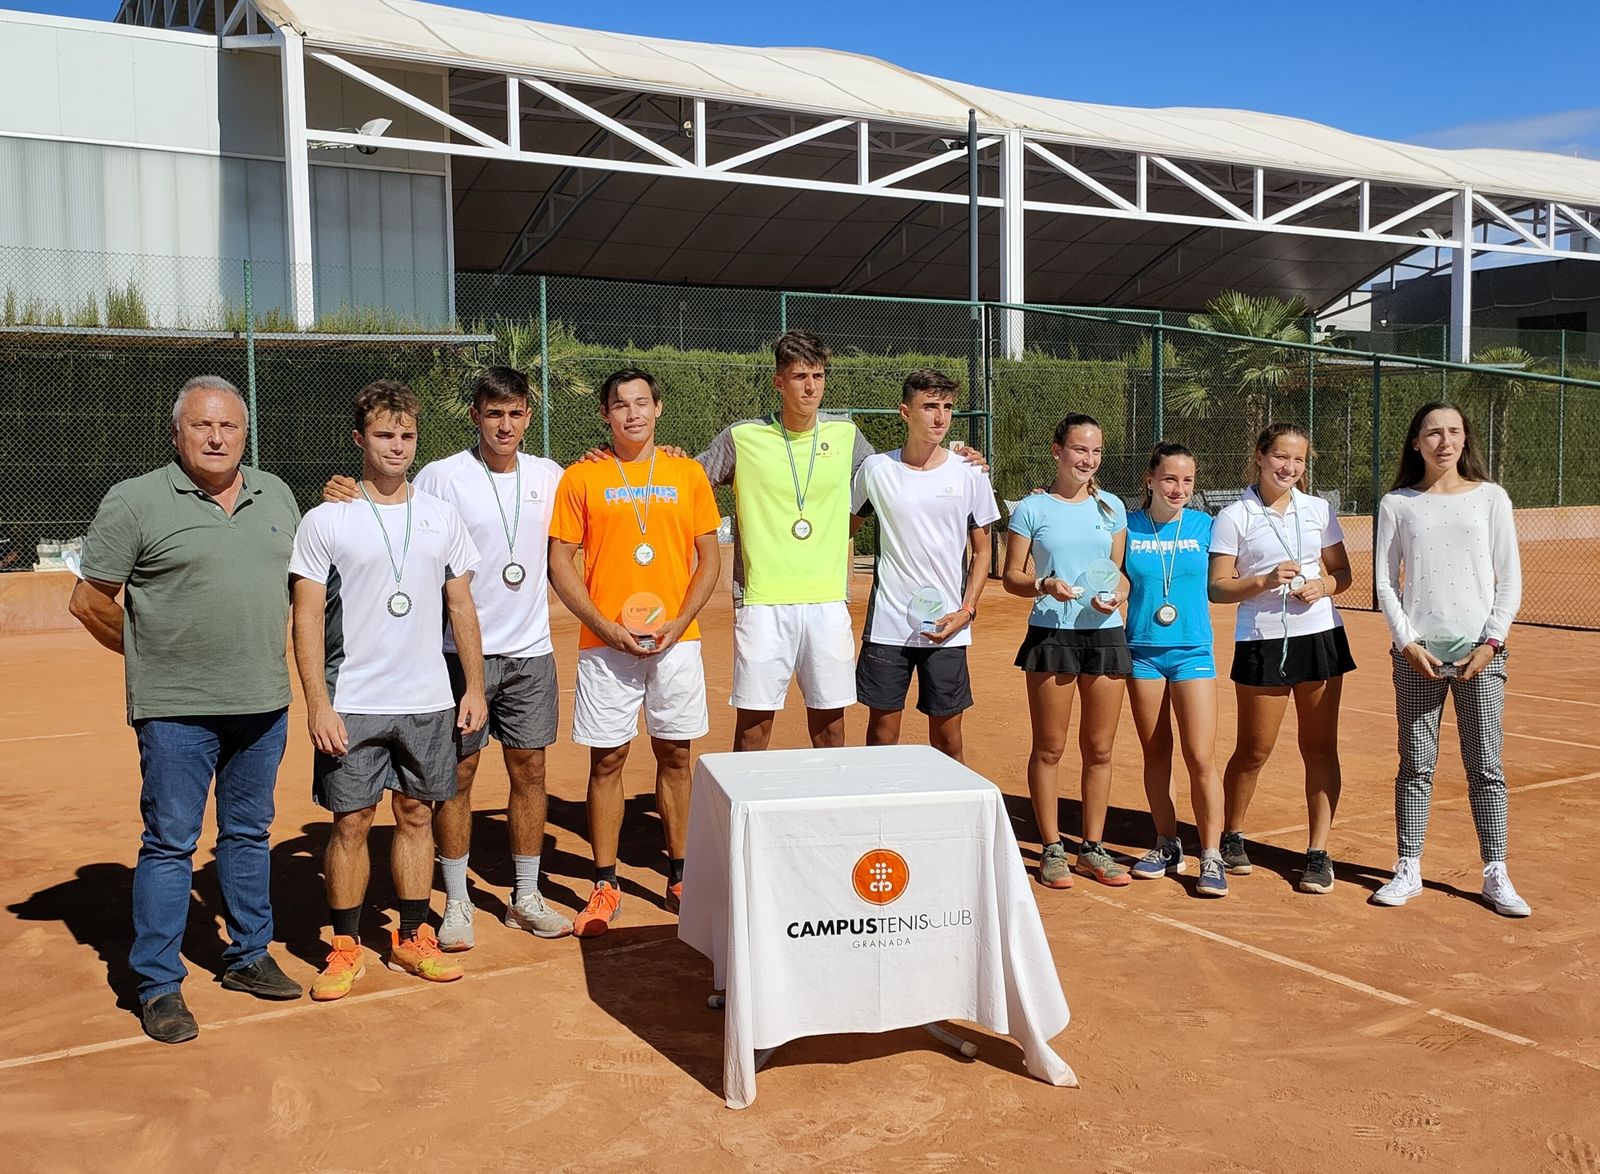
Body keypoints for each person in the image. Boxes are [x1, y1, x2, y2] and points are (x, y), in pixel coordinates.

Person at [69, 375, 303, 1044]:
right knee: (171, 843)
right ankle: (158, 985)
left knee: (249, 833)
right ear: (176, 434)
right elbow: (89, 601)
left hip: (263, 702)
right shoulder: (134, 501)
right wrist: (153, 656)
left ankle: (249, 956)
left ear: (245, 433)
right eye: (202, 425)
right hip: (176, 711)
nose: (216, 438)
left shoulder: (277, 494)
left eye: (229, 426)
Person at [324, 368, 570, 949]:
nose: (505, 425)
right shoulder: (442, 475)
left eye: (515, 413)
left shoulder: (551, 475)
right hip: (455, 655)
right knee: (457, 775)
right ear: (475, 417)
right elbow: (392, 504)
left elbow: (606, 488)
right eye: (494, 413)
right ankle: (457, 901)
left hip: (531, 653)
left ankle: (526, 896)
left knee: (531, 771)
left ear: (528, 417)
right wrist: (345, 490)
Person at [289, 381, 488, 1001]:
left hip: (428, 700)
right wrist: (317, 703)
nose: (397, 446)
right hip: (352, 702)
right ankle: (346, 947)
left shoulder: (441, 516)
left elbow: (462, 605)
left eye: (406, 436)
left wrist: (474, 688)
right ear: (359, 439)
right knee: (351, 822)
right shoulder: (327, 518)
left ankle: (412, 936)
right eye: (383, 435)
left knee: (417, 815)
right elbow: (305, 616)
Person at [698, 330, 986, 753]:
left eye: (818, 376)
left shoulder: (846, 435)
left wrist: (961, 460)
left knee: (832, 728)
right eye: (799, 376)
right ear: (779, 381)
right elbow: (689, 480)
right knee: (753, 727)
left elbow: (893, 474)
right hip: (762, 602)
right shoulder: (742, 436)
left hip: (829, 601)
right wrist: (645, 455)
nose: (810, 387)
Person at [548, 368, 721, 938]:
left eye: (642, 402)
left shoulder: (687, 473)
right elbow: (560, 562)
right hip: (607, 645)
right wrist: (603, 625)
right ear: (605, 414)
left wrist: (681, 621)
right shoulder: (582, 477)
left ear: (658, 408)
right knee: (607, 761)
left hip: (676, 642)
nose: (633, 413)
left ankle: (682, 875)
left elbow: (709, 557)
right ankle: (604, 881)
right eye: (620, 405)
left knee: (676, 756)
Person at [1371, 402, 1529, 917]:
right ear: (1416, 441)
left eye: (1454, 432)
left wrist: (1491, 643)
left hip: (1481, 655)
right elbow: (1384, 582)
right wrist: (1406, 643)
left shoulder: (1491, 498)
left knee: (1486, 766)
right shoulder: (1397, 504)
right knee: (1416, 764)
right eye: (1434, 433)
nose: (1445, 441)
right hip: (1416, 657)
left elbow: (1509, 578)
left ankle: (1496, 872)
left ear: (1465, 439)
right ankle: (1408, 866)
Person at [1208, 422, 1354, 895]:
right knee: (1254, 749)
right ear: (1260, 456)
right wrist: (1264, 581)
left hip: (1320, 637)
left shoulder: (1318, 510)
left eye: (1298, 460)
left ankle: (1318, 852)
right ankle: (1232, 835)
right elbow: (1217, 588)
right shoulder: (1234, 516)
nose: (1289, 467)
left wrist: (1323, 586)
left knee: (1320, 748)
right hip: (1262, 640)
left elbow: (1343, 572)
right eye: (1281, 457)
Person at [1002, 414, 1132, 890]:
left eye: (1096, 452)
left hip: (1105, 634)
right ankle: (1053, 848)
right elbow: (1012, 576)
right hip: (1051, 634)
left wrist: (1117, 595)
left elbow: (1117, 573)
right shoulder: (1031, 509)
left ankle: (1092, 848)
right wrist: (1044, 584)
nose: (1088, 460)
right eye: (1080, 449)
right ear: (1058, 450)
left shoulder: (1112, 507)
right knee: (1050, 747)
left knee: (1100, 749)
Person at [851, 370, 998, 761]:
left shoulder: (970, 472)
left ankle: (954, 802)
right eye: (930, 406)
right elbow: (844, 530)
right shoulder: (875, 469)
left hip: (948, 627)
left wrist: (966, 611)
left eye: (947, 407)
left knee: (949, 739)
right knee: (882, 737)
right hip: (888, 625)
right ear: (905, 412)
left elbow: (982, 552)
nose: (940, 417)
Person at [1120, 443, 1228, 897]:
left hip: (1192, 652)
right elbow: (1113, 573)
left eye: (1187, 480)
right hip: (1142, 651)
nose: (1179, 488)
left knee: (1200, 756)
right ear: (1150, 480)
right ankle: (1167, 843)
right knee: (1156, 753)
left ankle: (1212, 854)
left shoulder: (1206, 526)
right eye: (1169, 479)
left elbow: (1230, 573)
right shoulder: (1127, 526)